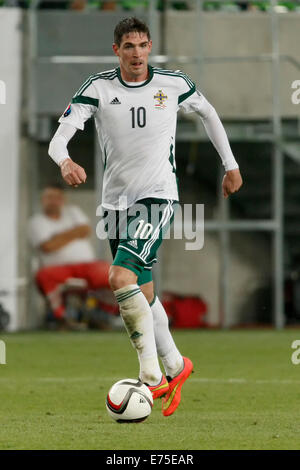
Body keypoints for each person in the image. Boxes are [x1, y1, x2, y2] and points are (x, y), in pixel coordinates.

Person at [48, 17, 242, 416]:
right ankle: (176, 365)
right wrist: (65, 161)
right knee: (143, 293)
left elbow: (209, 114)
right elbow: (59, 138)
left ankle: (150, 377)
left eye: (142, 46)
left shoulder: (173, 84)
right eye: (128, 46)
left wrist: (231, 164)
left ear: (150, 47)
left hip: (158, 198)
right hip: (115, 204)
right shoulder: (98, 88)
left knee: (120, 278)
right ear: (116, 50)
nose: (136, 53)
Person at [28, 182, 111, 322]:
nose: (53, 201)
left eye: (56, 197)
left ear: (62, 200)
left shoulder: (73, 211)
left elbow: (85, 230)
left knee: (111, 272)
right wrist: (74, 232)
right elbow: (48, 246)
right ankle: (62, 317)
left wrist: (58, 238)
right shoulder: (36, 222)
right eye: (49, 197)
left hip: (87, 265)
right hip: (58, 268)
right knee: (43, 276)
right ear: (43, 199)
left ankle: (104, 313)